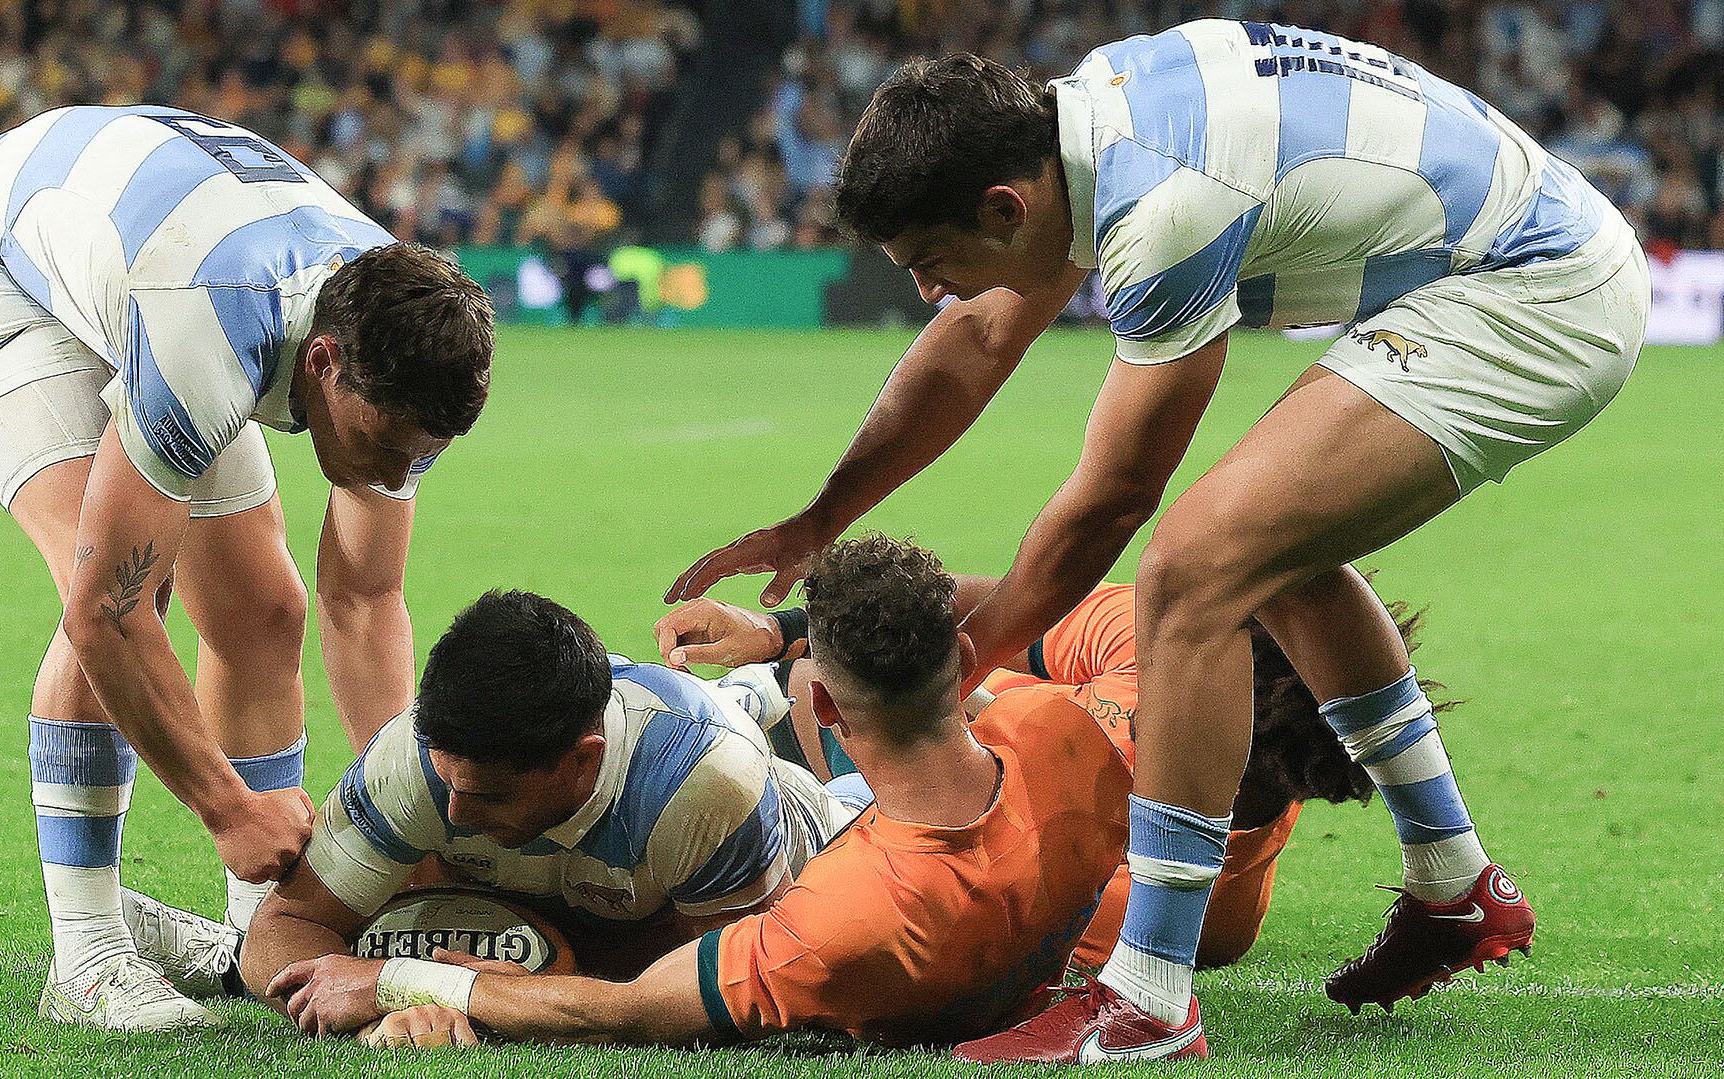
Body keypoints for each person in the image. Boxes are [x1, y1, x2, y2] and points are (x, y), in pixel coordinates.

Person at [665, 19, 1639, 1059]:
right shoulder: (1075, 130)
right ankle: (1454, 884)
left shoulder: (1162, 200)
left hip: (1537, 293)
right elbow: (981, 333)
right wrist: (822, 517)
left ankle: (1151, 997)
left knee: (1191, 571)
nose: (927, 289)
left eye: (932, 260)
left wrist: (961, 664)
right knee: (1274, 560)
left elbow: (1112, 499)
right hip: (1504, 261)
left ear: (1005, 207)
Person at [0, 104, 495, 1031]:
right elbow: (108, 611)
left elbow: (366, 599)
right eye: (381, 444)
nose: (390, 474)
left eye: (417, 457)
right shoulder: (209, 332)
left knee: (265, 609)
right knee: (129, 585)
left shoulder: (397, 329)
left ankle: (261, 929)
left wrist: (412, 827)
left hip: (155, 261)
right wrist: (228, 806)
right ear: (325, 363)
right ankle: (88, 954)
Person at [266, 535, 1150, 1052]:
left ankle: (755, 698)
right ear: (965, 660)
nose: (456, 811)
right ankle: (756, 693)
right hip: (848, 778)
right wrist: (783, 632)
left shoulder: (833, 913)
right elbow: (1148, 626)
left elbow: (635, 1006)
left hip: (807, 816)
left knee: (772, 781)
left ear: (829, 698)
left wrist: (399, 978)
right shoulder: (1085, 739)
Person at [657, 569, 1416, 977]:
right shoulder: (1162, 644)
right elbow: (1006, 604)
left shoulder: (1171, 905)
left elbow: (913, 911)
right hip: (837, 718)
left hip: (852, 822)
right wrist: (777, 630)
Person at [234, 589, 858, 1035]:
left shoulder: (703, 788)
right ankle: (749, 691)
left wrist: (442, 986)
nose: (454, 812)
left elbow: (699, 1004)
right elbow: (283, 926)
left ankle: (770, 692)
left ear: (582, 761)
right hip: (618, 895)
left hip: (816, 830)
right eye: (447, 783)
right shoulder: (417, 760)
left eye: (489, 796)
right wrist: (370, 1008)